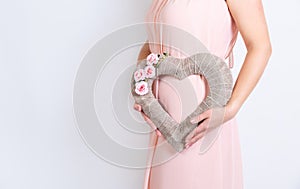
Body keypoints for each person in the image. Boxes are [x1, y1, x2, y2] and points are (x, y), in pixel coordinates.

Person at [133, 0, 272, 188]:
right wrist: (142, 89)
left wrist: (231, 109)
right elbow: (153, 44)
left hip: (200, 114)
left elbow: (261, 46)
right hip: (162, 120)